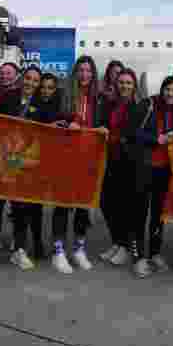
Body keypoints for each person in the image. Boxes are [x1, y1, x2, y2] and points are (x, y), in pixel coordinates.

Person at [123, 75, 173, 278]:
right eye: (168, 89)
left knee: (159, 215)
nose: (170, 94)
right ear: (162, 88)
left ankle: (155, 253)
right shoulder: (148, 104)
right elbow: (130, 132)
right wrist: (156, 139)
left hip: (165, 170)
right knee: (140, 213)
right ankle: (139, 257)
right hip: (144, 167)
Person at [51, 55, 100, 272]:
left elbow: (104, 123)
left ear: (93, 74)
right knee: (62, 204)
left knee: (82, 206)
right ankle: (59, 251)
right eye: (81, 70)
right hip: (65, 156)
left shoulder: (98, 98)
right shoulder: (64, 94)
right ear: (75, 72)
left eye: (88, 71)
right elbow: (55, 121)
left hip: (88, 157)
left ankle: (79, 249)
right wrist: (66, 124)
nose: (84, 74)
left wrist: (103, 128)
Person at [0, 66, 46, 268]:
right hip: (6, 158)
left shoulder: (42, 103)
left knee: (28, 206)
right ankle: (6, 249)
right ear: (22, 78)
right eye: (28, 78)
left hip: (28, 161)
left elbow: (47, 129)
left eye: (35, 80)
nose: (31, 83)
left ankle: (27, 245)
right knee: (7, 205)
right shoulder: (8, 98)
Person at [97, 69, 140, 266]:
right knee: (106, 202)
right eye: (122, 82)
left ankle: (124, 246)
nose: (125, 86)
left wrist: (117, 137)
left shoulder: (138, 107)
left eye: (129, 83)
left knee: (124, 206)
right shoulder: (109, 105)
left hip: (128, 162)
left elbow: (133, 135)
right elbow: (102, 124)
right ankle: (116, 241)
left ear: (134, 86)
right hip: (109, 159)